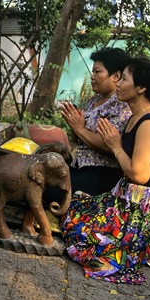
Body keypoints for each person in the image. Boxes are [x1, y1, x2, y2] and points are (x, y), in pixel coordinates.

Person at [61, 57, 150, 284]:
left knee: (85, 240)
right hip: (131, 198)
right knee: (75, 213)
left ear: (141, 88)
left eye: (123, 78)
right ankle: (149, 243)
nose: (117, 83)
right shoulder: (135, 115)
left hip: (149, 207)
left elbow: (139, 174)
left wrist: (115, 146)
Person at [60, 47, 132, 195]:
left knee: (47, 188)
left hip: (101, 174)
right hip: (79, 167)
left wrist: (80, 129)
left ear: (116, 76)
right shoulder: (93, 101)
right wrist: (74, 124)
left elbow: (109, 145)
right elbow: (80, 138)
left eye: (97, 71)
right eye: (93, 71)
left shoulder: (120, 105)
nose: (92, 76)